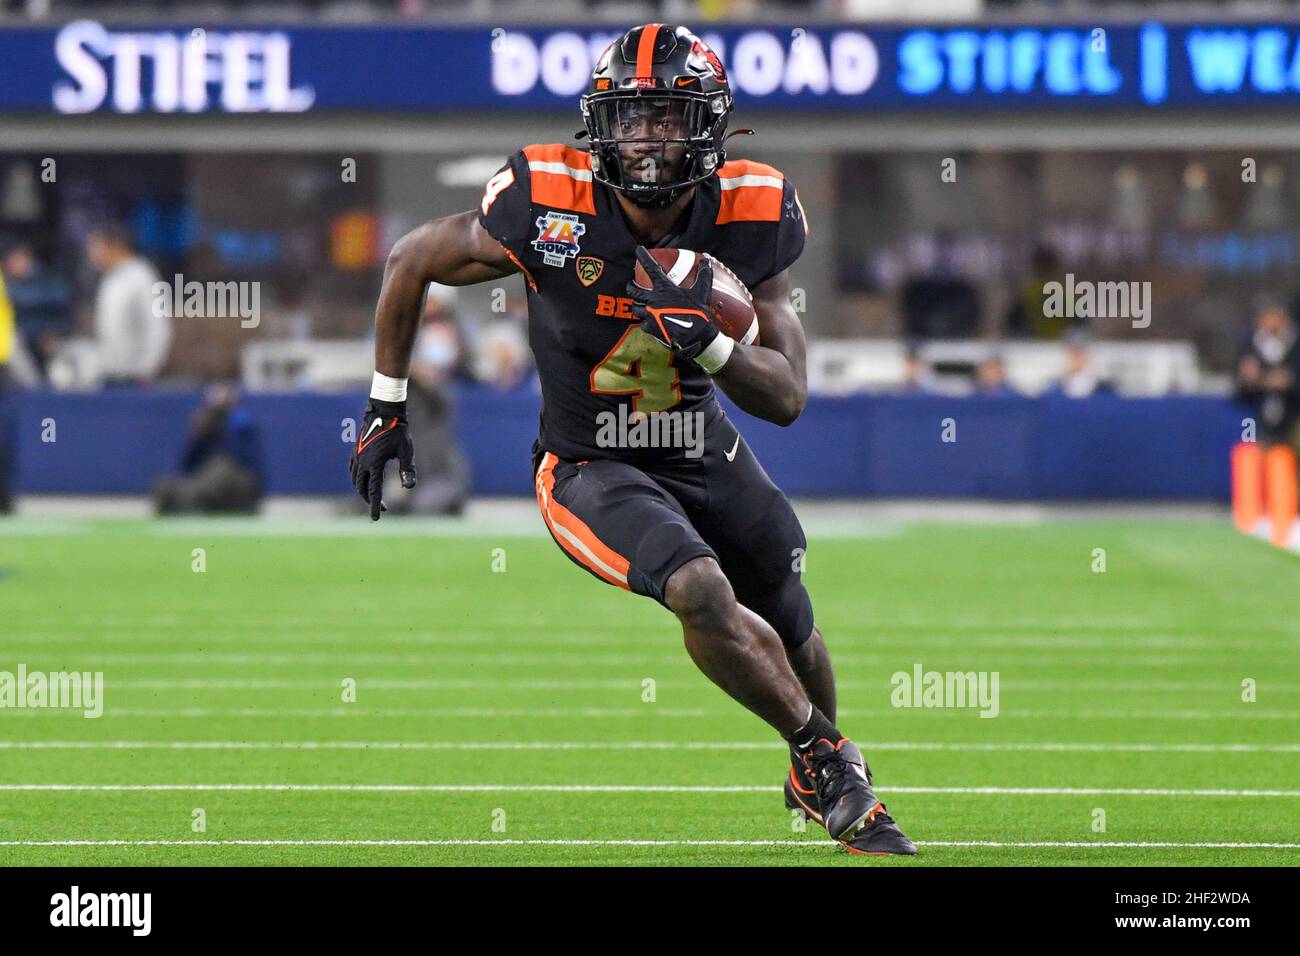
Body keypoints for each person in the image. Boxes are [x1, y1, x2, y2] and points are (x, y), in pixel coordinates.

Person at [348, 23, 914, 856]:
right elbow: (409, 259)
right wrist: (385, 407)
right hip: (587, 460)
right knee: (700, 590)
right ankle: (825, 759)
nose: (646, 139)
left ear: (710, 127)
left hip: (697, 440)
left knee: (791, 614)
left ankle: (811, 756)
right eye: (632, 117)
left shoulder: (751, 210)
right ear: (600, 124)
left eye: (667, 116)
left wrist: (714, 342)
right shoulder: (548, 199)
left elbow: (788, 397)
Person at [152, 385, 263, 514]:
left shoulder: (242, 424)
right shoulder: (205, 424)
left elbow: (244, 461)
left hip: (237, 484)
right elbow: (187, 466)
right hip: (206, 482)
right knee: (165, 485)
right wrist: (199, 435)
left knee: (221, 468)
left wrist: (221, 427)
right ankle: (184, 501)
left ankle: (189, 501)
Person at [85, 223, 171, 386]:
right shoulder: (110, 278)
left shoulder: (143, 276)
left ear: (114, 246)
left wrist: (149, 367)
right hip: (110, 374)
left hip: (137, 377)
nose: (92, 254)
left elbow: (158, 325)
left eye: (96, 247)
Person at [0, 237, 71, 378]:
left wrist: (52, 331)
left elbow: (62, 304)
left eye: (21, 258)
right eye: (13, 260)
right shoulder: (7, 282)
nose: (18, 263)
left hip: (50, 337)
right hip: (19, 340)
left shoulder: (47, 278)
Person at [1236, 295, 1300, 448]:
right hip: (1257, 416)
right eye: (1267, 316)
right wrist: (1250, 381)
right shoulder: (1249, 347)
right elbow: (1239, 394)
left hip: (1293, 415)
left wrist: (1290, 382)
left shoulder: (1295, 346)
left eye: (1276, 316)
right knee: (1248, 449)